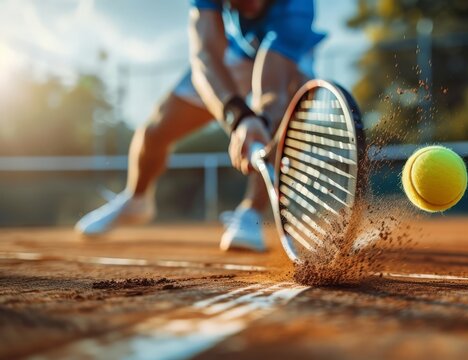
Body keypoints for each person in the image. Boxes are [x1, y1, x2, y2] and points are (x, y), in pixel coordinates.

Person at [74, 0, 325, 252]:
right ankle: (136, 200)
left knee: (284, 105)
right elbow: (205, 54)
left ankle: (251, 214)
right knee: (156, 130)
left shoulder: (297, 8)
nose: (241, 7)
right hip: (237, 50)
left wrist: (260, 121)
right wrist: (238, 116)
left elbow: (273, 89)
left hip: (288, 57)